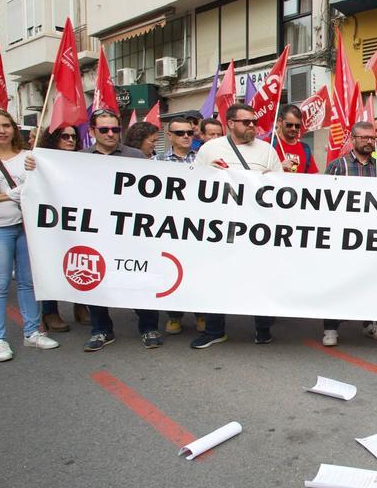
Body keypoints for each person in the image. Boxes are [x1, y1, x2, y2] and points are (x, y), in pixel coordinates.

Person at [0, 109, 58, 361]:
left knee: (28, 281)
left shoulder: (28, 156)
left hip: (25, 226)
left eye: (6, 125)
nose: (1, 130)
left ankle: (32, 332)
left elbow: (34, 190)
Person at [190, 104, 280, 347]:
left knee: (259, 278)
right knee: (216, 277)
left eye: (253, 121)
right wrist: (210, 173)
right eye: (246, 121)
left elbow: (281, 187)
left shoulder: (266, 150)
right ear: (230, 123)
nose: (252, 125)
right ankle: (214, 329)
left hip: (257, 228)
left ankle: (263, 329)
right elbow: (192, 183)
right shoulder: (210, 149)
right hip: (221, 227)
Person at [79, 110, 163, 351]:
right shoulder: (80, 158)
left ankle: (148, 327)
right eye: (103, 129)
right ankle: (101, 330)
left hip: (131, 230)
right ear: (93, 131)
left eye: (115, 129)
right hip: (94, 230)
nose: (110, 134)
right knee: (95, 279)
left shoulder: (135, 156)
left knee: (139, 277)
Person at [320, 121, 377, 346]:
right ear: (353, 139)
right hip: (341, 235)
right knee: (335, 279)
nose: (370, 141)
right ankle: (331, 328)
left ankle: (369, 323)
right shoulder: (337, 166)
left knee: (371, 279)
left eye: (372, 138)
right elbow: (323, 199)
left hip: (371, 235)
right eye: (364, 138)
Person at [34, 124, 90, 331]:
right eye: (64, 136)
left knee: (82, 262)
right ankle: (50, 312)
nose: (70, 140)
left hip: (80, 221)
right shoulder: (41, 162)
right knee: (51, 266)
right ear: (53, 139)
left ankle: (81, 305)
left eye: (73, 136)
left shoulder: (83, 161)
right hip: (52, 222)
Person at [158, 115, 206, 336]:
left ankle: (200, 314)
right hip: (169, 226)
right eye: (180, 133)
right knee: (171, 272)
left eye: (189, 132)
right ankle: (174, 316)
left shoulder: (202, 160)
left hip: (198, 226)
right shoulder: (156, 162)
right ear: (169, 136)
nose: (186, 136)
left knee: (197, 272)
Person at [270, 104, 319, 173]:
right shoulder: (269, 143)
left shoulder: (305, 149)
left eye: (297, 126)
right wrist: (280, 167)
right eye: (289, 125)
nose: (293, 128)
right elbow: (258, 175)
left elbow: (314, 178)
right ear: (280, 121)